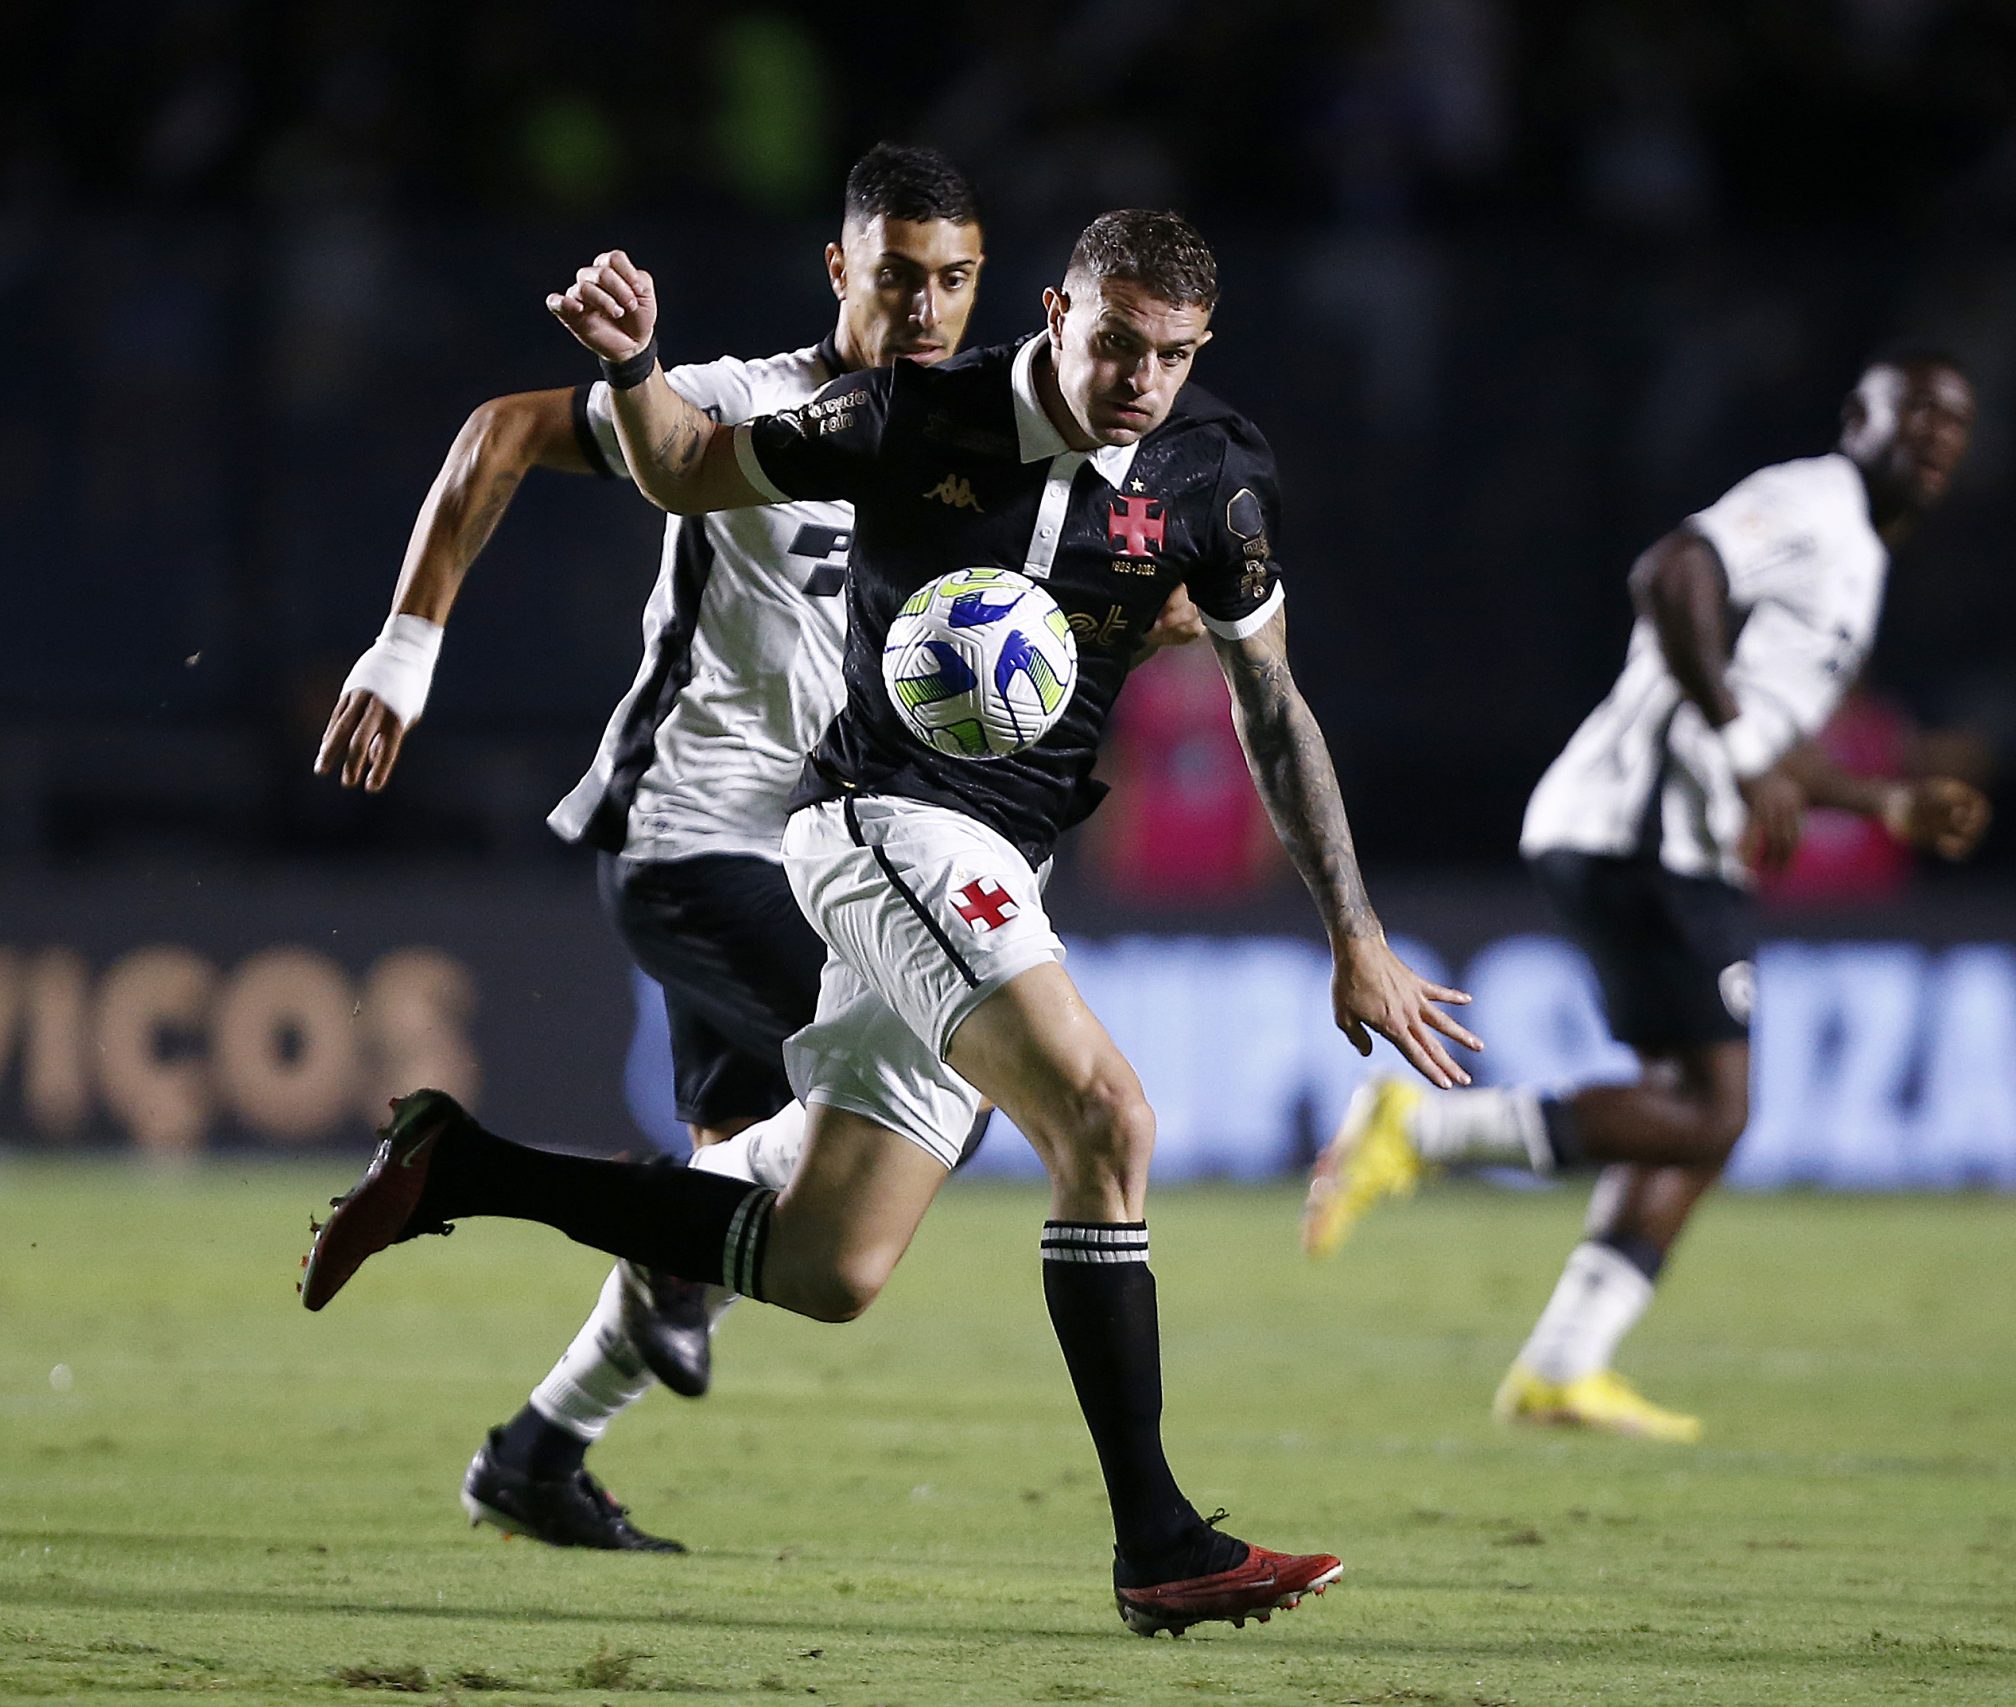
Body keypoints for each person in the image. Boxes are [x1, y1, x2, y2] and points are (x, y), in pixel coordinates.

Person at [303, 209, 1478, 1636]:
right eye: (1116, 344)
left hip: (1008, 858)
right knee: (1105, 1120)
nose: (1140, 381)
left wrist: (1352, 927)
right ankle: (1160, 1540)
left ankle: (459, 1168)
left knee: (830, 1264)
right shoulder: (911, 416)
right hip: (879, 823)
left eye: (1170, 355)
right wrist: (638, 363)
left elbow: (1271, 703)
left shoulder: (1215, 477)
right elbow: (683, 462)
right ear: (1059, 311)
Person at [314, 144, 998, 1552]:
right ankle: (515, 1189)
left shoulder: (978, 449)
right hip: (693, 836)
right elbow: (502, 429)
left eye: (952, 280)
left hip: (815, 856)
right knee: (962, 1060)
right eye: (897, 277)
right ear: (840, 270)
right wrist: (404, 648)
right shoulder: (745, 407)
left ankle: (538, 1448)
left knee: (746, 1197)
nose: (925, 307)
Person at [1301, 354, 1991, 1443]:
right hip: (1636, 827)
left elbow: (1766, 730)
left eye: (1956, 428)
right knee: (1713, 1107)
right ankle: (1418, 1129)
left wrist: (1880, 802)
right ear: (1859, 416)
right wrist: (1734, 742)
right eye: (1917, 417)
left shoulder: (1857, 554)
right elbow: (1671, 573)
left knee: (1695, 1115)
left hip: (1670, 838)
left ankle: (1563, 1367)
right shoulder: (1815, 498)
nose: (1938, 441)